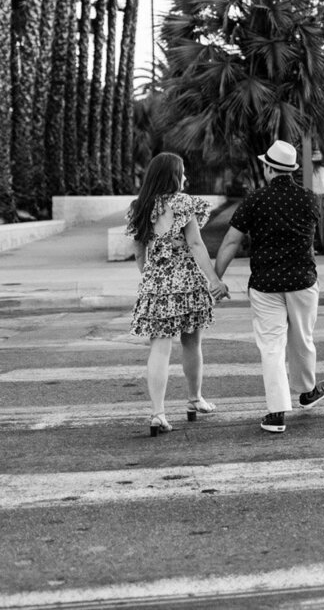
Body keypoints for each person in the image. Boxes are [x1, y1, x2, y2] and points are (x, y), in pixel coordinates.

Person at [214, 140, 324, 434]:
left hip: (265, 285)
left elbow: (230, 241)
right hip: (303, 282)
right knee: (302, 339)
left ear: (268, 168)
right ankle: (306, 393)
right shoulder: (309, 199)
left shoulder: (254, 200)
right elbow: (310, 243)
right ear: (289, 170)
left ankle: (276, 415)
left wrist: (215, 279)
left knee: (271, 348)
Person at [127, 153, 228, 437]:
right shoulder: (183, 202)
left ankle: (158, 413)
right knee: (192, 343)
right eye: (182, 172)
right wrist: (214, 280)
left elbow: (138, 252)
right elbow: (195, 244)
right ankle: (195, 400)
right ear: (173, 175)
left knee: (159, 348)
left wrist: (151, 279)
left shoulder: (140, 206)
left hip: (155, 286)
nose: (185, 177)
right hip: (187, 285)